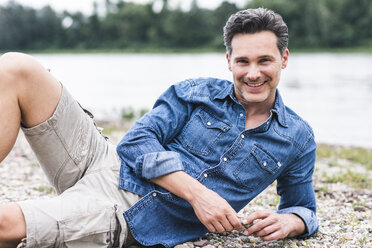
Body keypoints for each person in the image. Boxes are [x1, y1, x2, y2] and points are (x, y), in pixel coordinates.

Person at [0, 7, 318, 248]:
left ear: (284, 59)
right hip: (103, 159)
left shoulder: (297, 137)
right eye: (243, 61)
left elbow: (302, 207)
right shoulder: (195, 92)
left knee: (4, 226)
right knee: (16, 67)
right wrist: (198, 195)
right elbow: (136, 142)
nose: (252, 73)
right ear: (229, 61)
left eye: (264, 61)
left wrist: (291, 222)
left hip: (129, 208)